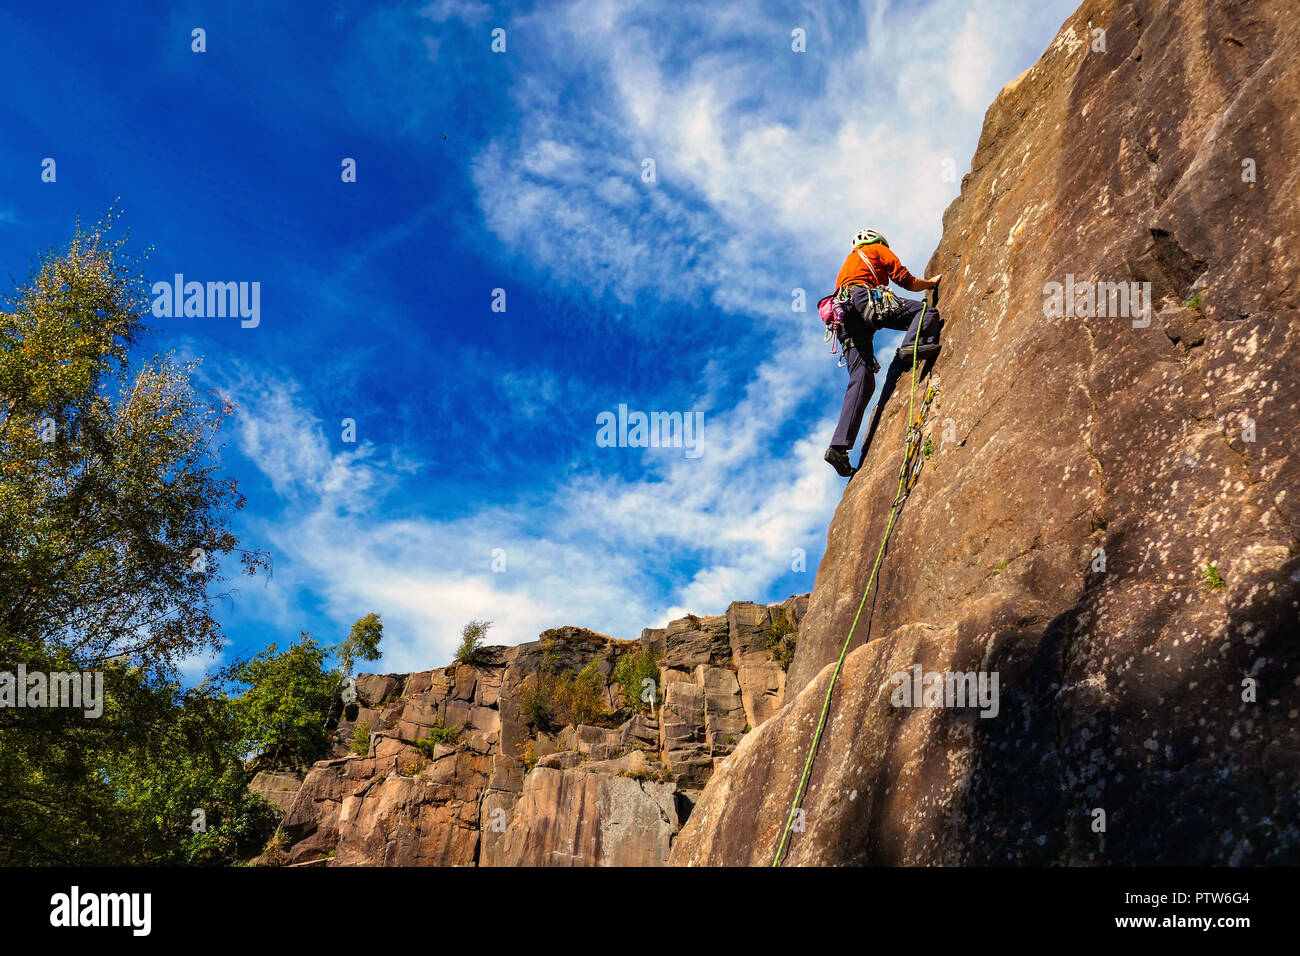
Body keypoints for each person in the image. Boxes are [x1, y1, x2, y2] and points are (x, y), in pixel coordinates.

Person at [824, 228, 944, 478]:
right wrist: (930, 284)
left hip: (843, 317)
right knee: (925, 313)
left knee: (862, 380)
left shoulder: (848, 264)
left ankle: (839, 447)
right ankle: (911, 346)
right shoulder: (876, 249)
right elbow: (904, 279)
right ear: (878, 241)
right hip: (862, 299)